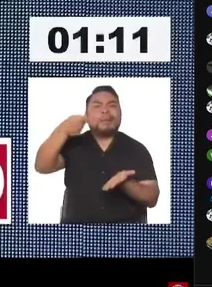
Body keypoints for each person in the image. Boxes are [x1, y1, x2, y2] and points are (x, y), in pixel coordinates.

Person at [33, 85, 159, 223]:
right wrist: (62, 130)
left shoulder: (137, 149)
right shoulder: (73, 145)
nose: (105, 110)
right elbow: (42, 166)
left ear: (120, 113)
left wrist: (126, 184)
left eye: (112, 105)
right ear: (86, 115)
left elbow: (152, 198)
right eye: (97, 106)